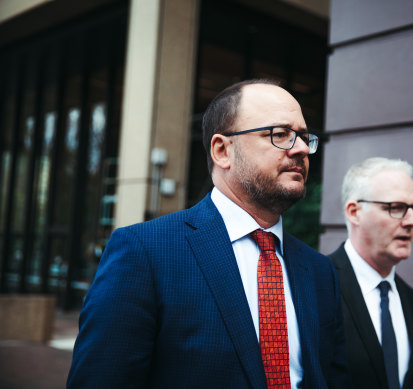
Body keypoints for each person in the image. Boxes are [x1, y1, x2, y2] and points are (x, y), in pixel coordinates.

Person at [67, 79, 347, 388]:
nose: (302, 148)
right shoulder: (145, 253)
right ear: (222, 150)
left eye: (305, 137)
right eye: (280, 134)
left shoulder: (320, 271)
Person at [328, 157, 413, 389]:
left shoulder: (412, 302)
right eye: (396, 208)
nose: (412, 221)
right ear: (354, 212)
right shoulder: (316, 285)